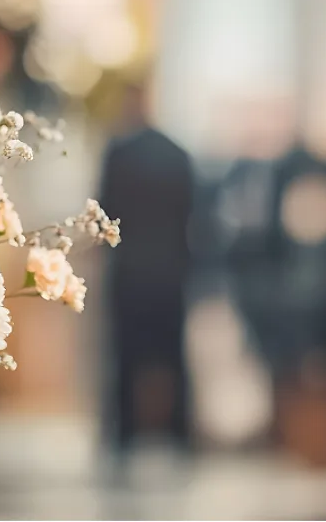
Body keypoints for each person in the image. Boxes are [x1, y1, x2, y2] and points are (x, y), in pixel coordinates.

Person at [98, 81, 195, 464]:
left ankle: (124, 432)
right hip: (171, 272)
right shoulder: (178, 154)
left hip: (129, 272)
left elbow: (104, 214)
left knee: (124, 356)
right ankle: (179, 430)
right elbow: (191, 214)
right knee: (174, 356)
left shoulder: (118, 154)